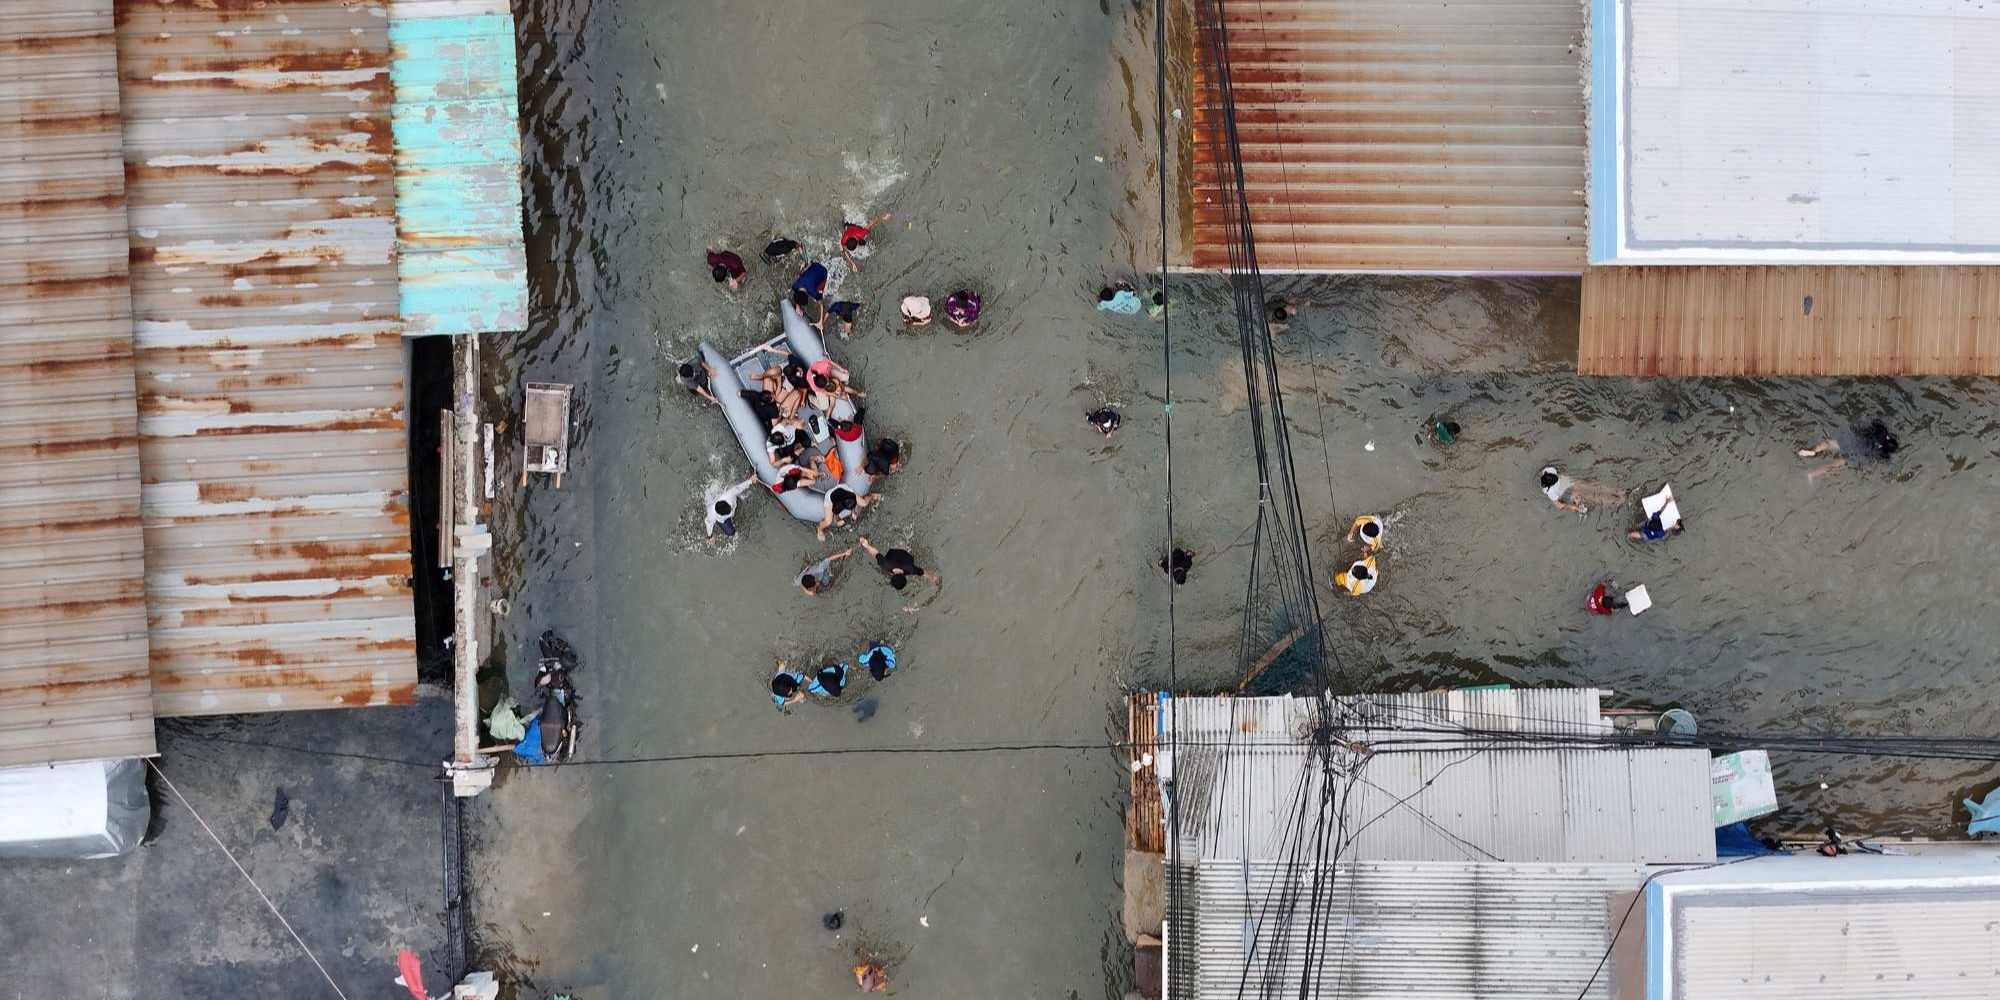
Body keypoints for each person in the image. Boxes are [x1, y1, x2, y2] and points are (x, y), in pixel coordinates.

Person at [1799, 420, 1900, 481]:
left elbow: (1874, 423)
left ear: (1888, 438)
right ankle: (1812, 474)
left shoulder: (1882, 432)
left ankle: (1813, 451)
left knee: (1828, 443)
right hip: (1857, 455)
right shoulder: (1884, 453)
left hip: (1854, 442)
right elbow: (1883, 461)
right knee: (1837, 465)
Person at [858, 535, 939, 590]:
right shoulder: (885, 565)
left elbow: (923, 573)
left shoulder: (910, 569)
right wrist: (866, 545)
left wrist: (933, 578)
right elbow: (875, 553)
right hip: (899, 554)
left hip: (902, 554)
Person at [1538, 465, 1623, 513]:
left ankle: (1620, 501)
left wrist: (1574, 507)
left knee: (1596, 499)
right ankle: (1620, 493)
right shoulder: (1549, 470)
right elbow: (1559, 505)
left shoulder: (1550, 491)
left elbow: (1559, 505)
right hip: (1572, 484)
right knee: (1596, 488)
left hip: (1570, 492)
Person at [704, 476, 757, 542]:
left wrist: (751, 481)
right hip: (723, 520)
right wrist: (710, 536)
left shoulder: (728, 495)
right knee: (731, 532)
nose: (730, 510)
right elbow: (709, 524)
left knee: (738, 493)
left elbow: (738, 488)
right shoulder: (712, 514)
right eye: (728, 511)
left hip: (731, 501)